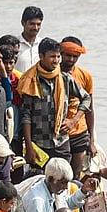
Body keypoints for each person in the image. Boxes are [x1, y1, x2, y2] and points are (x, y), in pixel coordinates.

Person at [18, 38, 91, 166]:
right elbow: (26, 117)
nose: (56, 60)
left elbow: (86, 98)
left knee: (64, 180)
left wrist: (73, 121)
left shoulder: (65, 78)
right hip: (39, 144)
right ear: (41, 56)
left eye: (58, 57)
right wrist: (29, 146)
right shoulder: (30, 80)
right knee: (40, 180)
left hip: (61, 142)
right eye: (52, 57)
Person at [59, 36, 97, 174]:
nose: (71, 60)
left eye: (75, 56)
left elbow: (90, 109)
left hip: (79, 133)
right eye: (68, 55)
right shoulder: (51, 73)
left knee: (76, 174)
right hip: (58, 132)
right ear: (61, 53)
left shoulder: (85, 76)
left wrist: (92, 141)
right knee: (59, 173)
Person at [14, 6, 44, 73]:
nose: (35, 28)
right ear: (23, 23)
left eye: (38, 24)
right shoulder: (14, 44)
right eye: (32, 24)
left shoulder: (43, 44)